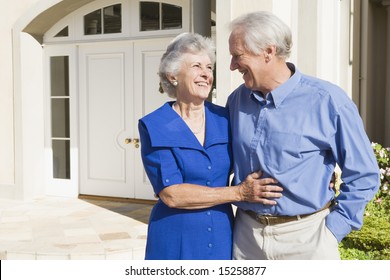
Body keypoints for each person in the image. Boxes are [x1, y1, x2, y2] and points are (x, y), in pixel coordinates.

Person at [226, 11, 380, 260]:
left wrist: (333, 229)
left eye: (237, 56)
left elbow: (364, 173)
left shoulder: (327, 100)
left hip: (307, 239)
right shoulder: (236, 101)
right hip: (246, 238)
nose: (232, 66)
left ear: (268, 52)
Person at [138, 32, 283, 260]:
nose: (206, 74)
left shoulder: (225, 117)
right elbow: (171, 194)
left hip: (221, 232)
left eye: (209, 67)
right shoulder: (155, 125)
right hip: (175, 235)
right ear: (172, 75)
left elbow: (255, 156)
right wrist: (238, 192)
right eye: (197, 66)